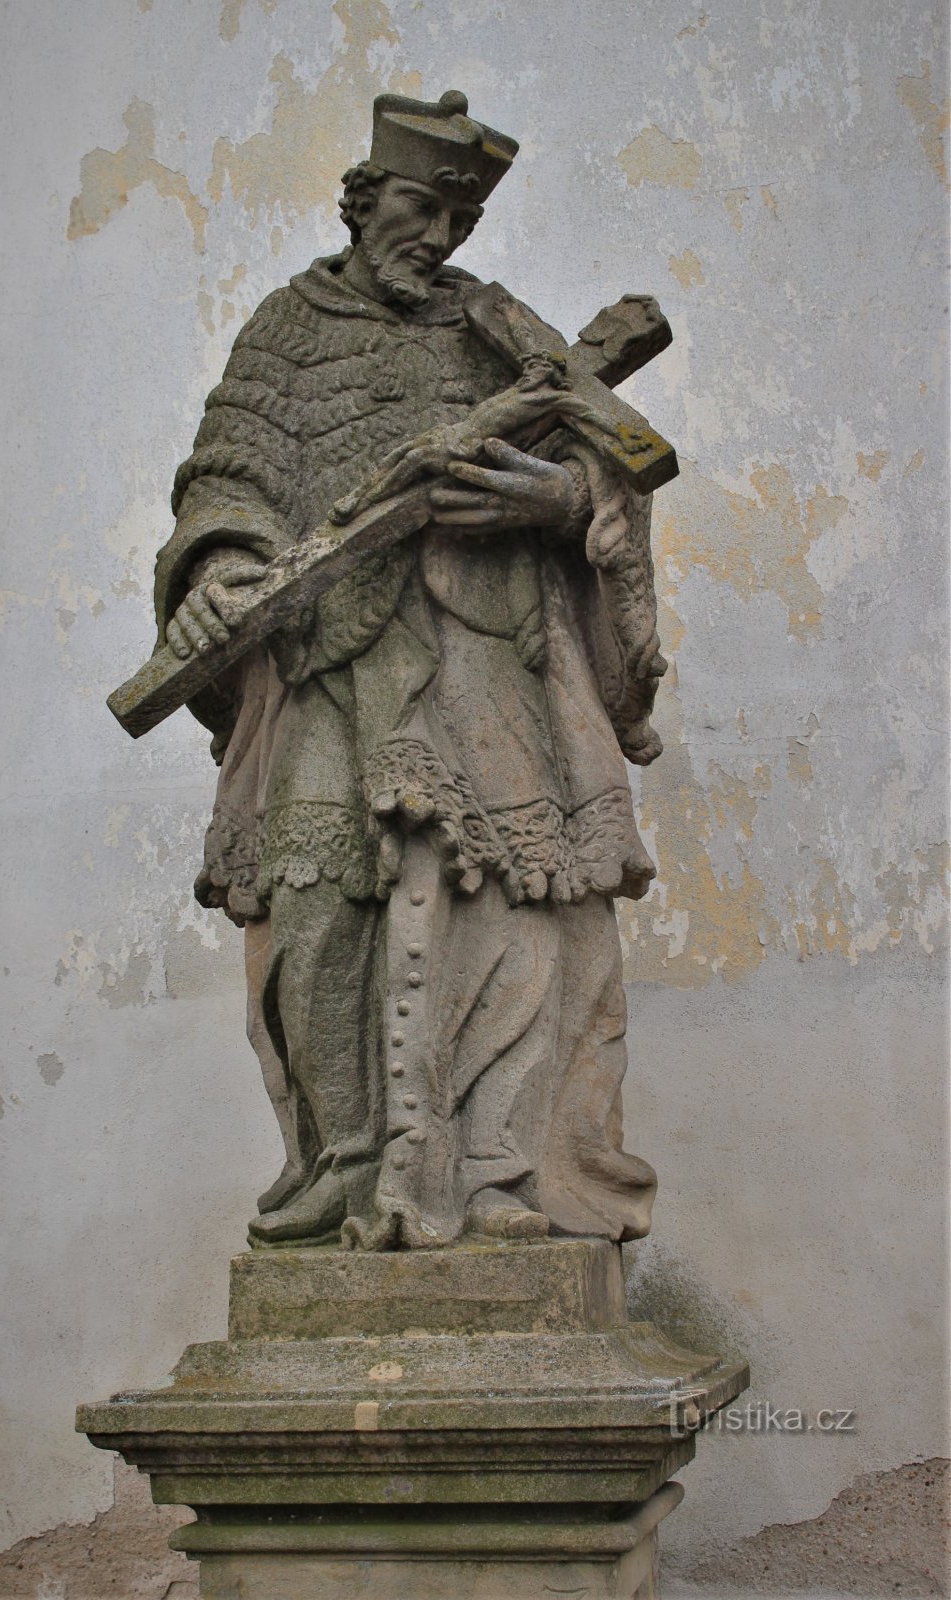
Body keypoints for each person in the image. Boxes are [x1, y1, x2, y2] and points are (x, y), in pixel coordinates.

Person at [154, 89, 666, 1250]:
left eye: (457, 219)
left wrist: (562, 501)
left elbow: (611, 467)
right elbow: (225, 476)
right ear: (362, 196)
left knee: (509, 904)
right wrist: (226, 564)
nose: (436, 238)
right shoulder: (286, 331)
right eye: (419, 207)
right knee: (314, 905)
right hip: (329, 656)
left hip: (487, 656)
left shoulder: (500, 331)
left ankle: (493, 1174)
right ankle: (344, 1168)